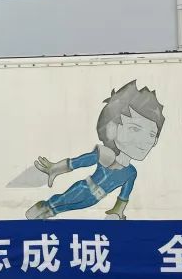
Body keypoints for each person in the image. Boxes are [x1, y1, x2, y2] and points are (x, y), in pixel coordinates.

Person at [25, 81, 165, 220]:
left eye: (151, 135)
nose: (143, 141)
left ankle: (45, 213)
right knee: (60, 201)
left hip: (94, 200)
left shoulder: (131, 173)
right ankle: (40, 210)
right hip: (83, 189)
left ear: (155, 141)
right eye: (134, 129)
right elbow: (78, 162)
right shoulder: (106, 155)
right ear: (111, 129)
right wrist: (55, 168)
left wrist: (117, 213)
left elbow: (124, 196)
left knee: (62, 208)